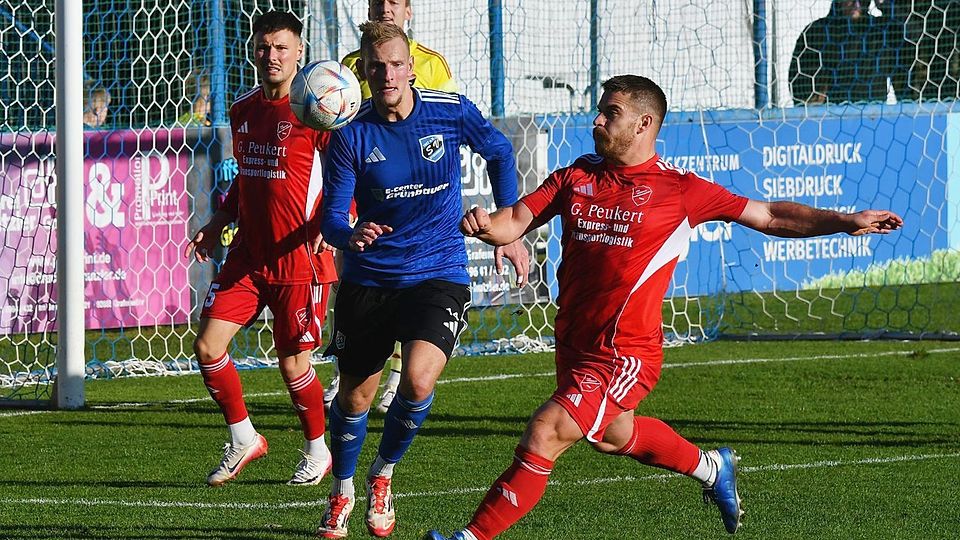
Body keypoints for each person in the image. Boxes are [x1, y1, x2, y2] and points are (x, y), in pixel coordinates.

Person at [426, 75, 903, 540]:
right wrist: (486, 225)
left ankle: (469, 537)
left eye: (610, 113)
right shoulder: (576, 176)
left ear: (643, 124)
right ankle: (712, 468)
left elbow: (769, 214)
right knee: (615, 435)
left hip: (624, 354)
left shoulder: (679, 189)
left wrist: (843, 221)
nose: (596, 120)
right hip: (574, 343)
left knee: (546, 431)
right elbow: (513, 221)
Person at [315, 21, 529, 539]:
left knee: (417, 380)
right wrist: (351, 234)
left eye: (394, 64)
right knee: (354, 400)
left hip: (439, 270)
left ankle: (383, 475)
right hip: (371, 278)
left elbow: (500, 153)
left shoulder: (449, 110)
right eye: (375, 67)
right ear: (362, 73)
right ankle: (342, 489)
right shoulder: (348, 132)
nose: (386, 74)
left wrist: (507, 225)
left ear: (411, 66)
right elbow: (331, 219)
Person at [183, 10, 338, 488]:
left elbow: (343, 176)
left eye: (282, 48)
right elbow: (247, 181)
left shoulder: (320, 111)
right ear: (252, 50)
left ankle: (317, 451)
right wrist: (215, 222)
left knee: (293, 363)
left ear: (299, 53)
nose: (271, 56)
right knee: (208, 345)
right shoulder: (244, 107)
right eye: (264, 47)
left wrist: (332, 223)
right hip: (249, 254)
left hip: (301, 259)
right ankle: (244, 436)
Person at [325, 0, 460, 415]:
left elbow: (444, 129)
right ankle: (355, 362)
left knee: (412, 281)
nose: (385, 7)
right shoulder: (346, 66)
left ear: (409, 11)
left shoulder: (433, 63)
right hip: (359, 179)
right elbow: (328, 122)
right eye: (377, 0)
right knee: (349, 270)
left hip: (413, 186)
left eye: (395, 1)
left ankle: (400, 373)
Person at [789, 0, 894, 104]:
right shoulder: (817, 32)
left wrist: (885, 6)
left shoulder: (880, 30)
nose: (856, 4)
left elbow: (906, 32)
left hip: (872, 113)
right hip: (830, 114)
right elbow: (799, 83)